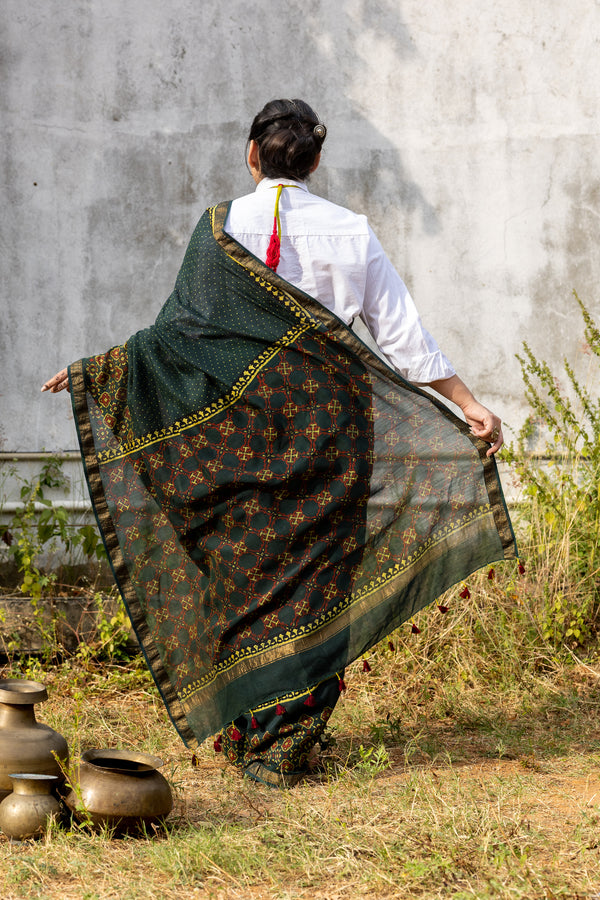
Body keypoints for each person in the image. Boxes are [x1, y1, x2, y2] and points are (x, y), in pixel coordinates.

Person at [43, 99, 515, 787]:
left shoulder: (219, 227)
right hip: (332, 427)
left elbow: (174, 339)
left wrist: (99, 371)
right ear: (315, 162)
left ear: (251, 154)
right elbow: (403, 339)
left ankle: (250, 730)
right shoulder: (351, 232)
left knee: (245, 572)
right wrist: (468, 405)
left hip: (238, 433)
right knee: (323, 578)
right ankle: (288, 740)